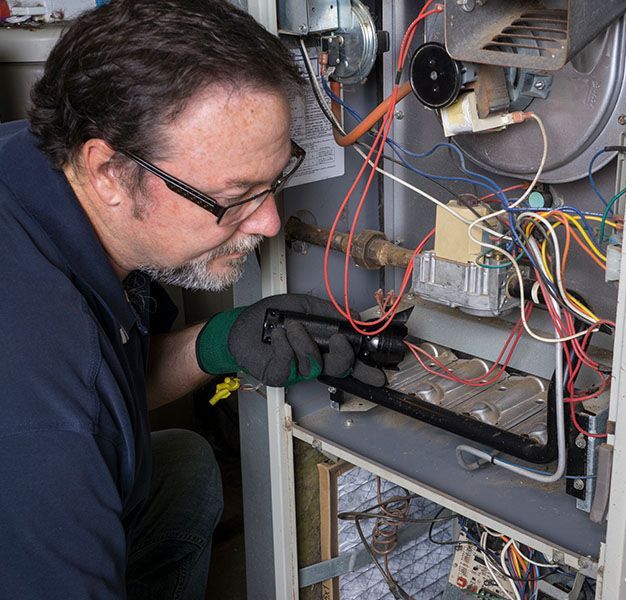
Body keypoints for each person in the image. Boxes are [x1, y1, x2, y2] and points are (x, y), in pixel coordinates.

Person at [0, 1, 382, 597]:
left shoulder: (33, 157)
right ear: (109, 172)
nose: (269, 223)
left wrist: (219, 341)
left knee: (183, 469)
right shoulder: (48, 417)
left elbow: (114, 383)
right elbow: (79, 405)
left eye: (276, 180)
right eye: (237, 195)